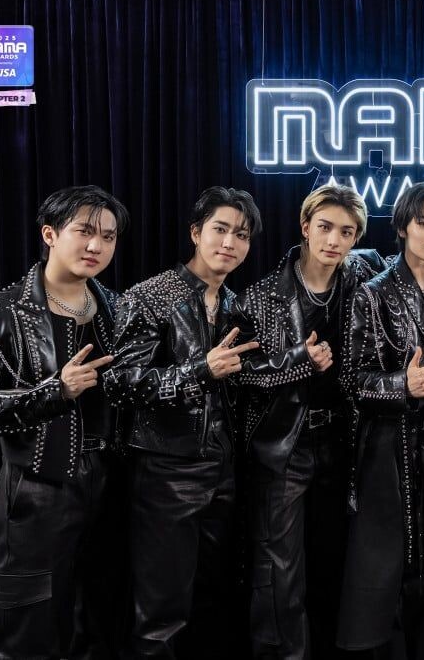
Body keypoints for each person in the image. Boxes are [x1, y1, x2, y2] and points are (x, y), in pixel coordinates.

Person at [231, 183, 424, 660]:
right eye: (325, 228)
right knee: (281, 572)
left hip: (343, 442)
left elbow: (423, 257)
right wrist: (299, 362)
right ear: (305, 227)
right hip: (287, 443)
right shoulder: (260, 296)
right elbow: (241, 375)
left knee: (335, 566)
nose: (334, 240)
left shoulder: (359, 271)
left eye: (346, 232)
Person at [0, 185, 129, 659]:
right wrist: (54, 391)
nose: (96, 245)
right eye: (84, 231)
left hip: (116, 485)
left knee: (100, 623)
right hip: (38, 490)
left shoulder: (121, 310)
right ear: (50, 234)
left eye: (108, 236)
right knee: (24, 630)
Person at [103, 186, 262, 658]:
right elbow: (119, 383)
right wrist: (199, 371)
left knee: (214, 601)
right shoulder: (152, 295)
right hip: (165, 470)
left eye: (242, 235)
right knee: (161, 611)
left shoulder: (235, 303)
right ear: (196, 232)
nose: (230, 243)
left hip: (224, 469)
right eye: (220, 229)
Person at [338, 182, 424, 659]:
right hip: (387, 447)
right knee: (384, 569)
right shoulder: (371, 293)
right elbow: (350, 380)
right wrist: (401, 384)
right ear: (402, 227)